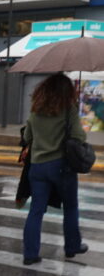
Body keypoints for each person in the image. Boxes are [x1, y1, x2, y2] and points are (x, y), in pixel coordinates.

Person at [22, 72, 88, 265]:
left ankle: (30, 254)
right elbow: (79, 137)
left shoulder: (36, 110)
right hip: (61, 166)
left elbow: (27, 137)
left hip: (37, 167)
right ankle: (72, 246)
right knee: (70, 206)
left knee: (36, 211)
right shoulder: (69, 110)